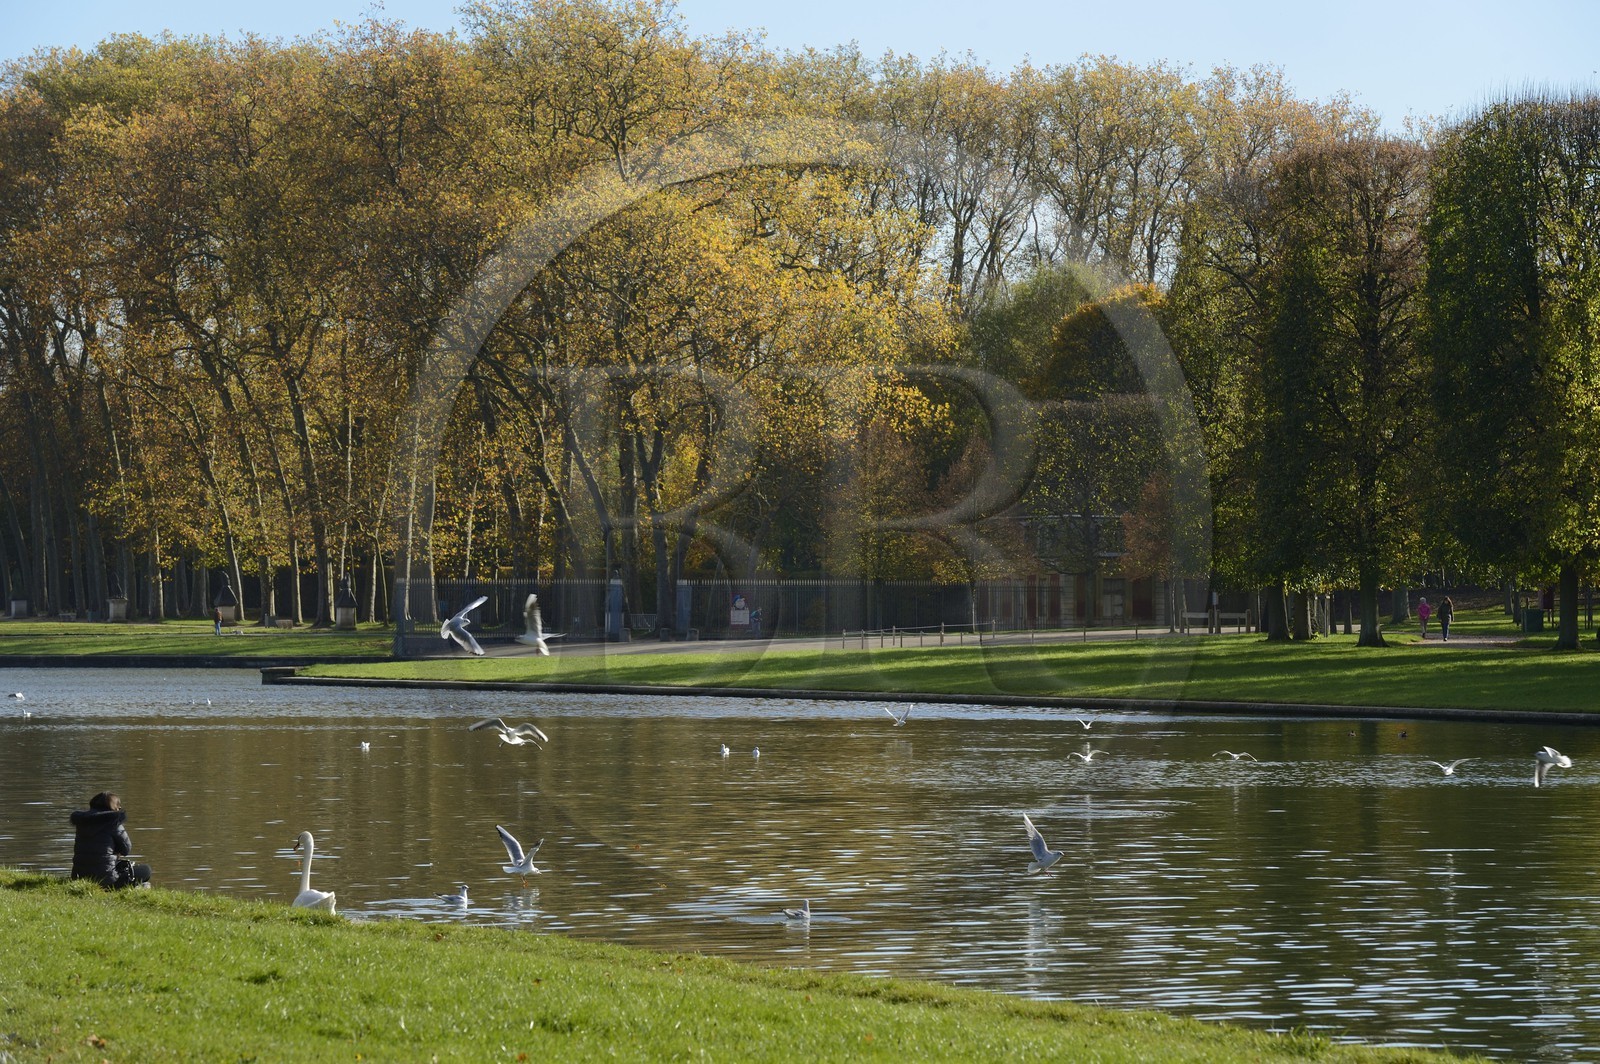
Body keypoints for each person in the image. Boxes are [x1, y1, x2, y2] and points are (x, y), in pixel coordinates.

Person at [70, 792, 151, 889]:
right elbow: (126, 849)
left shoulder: (82, 823)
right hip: (108, 881)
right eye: (118, 807)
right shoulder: (113, 822)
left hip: (79, 876)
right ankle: (132, 887)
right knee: (146, 870)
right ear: (114, 808)